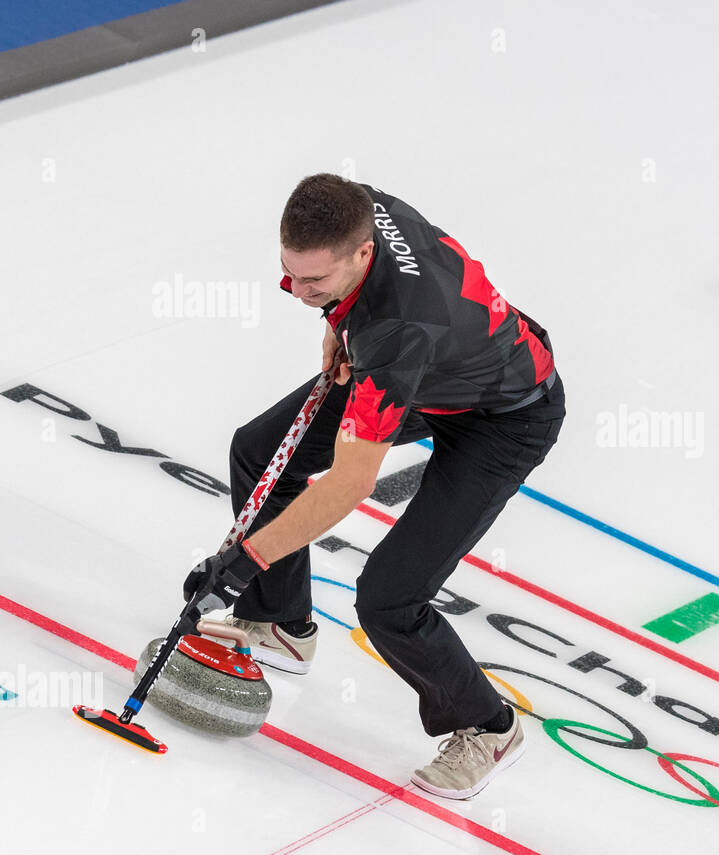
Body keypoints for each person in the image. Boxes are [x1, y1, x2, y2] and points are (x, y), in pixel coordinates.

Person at [182, 174, 564, 798]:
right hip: (433, 367)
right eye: (290, 275)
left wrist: (243, 561)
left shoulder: (396, 333)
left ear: (363, 255)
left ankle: (489, 727)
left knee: (389, 597)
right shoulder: (355, 206)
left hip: (505, 416)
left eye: (316, 285)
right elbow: (356, 289)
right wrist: (337, 318)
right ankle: (281, 622)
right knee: (260, 452)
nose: (299, 292)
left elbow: (352, 480)